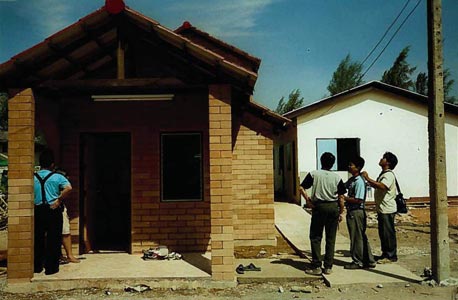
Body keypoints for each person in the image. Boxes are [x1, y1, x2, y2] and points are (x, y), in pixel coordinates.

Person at [300, 152, 346, 275]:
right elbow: (341, 197)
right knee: (331, 238)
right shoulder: (337, 177)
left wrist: (308, 200)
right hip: (333, 207)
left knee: (316, 236)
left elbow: (301, 188)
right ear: (333, 163)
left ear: (321, 161)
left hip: (319, 206)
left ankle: (316, 265)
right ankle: (328, 266)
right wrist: (341, 211)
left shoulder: (314, 174)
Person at [34, 149, 72, 275]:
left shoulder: (33, 177)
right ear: (52, 164)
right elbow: (68, 188)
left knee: (38, 238)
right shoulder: (57, 177)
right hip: (53, 209)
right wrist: (59, 199)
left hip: (38, 209)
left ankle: (37, 266)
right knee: (53, 239)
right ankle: (51, 268)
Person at [362, 152, 398, 263]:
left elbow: (383, 186)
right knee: (383, 232)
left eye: (383, 158)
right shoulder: (384, 174)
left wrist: (368, 178)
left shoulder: (388, 175)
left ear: (388, 162)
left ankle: (390, 255)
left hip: (387, 208)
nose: (381, 159)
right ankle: (385, 253)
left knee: (387, 233)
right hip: (383, 208)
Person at [343, 156, 376, 269]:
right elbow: (343, 186)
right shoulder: (353, 180)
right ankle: (369, 260)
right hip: (352, 211)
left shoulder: (359, 182)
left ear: (358, 167)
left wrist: (344, 199)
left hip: (356, 211)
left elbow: (358, 200)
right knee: (360, 236)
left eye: (351, 165)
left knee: (356, 237)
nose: (349, 166)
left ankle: (358, 261)